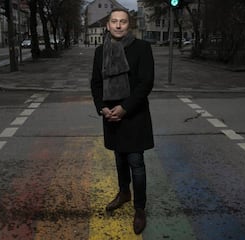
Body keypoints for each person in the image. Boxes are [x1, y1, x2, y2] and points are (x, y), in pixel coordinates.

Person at [90, 8, 154, 235]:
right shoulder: (100, 51)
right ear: (107, 25)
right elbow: (96, 83)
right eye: (114, 21)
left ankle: (139, 208)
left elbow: (145, 83)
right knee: (119, 157)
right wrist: (103, 107)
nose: (118, 25)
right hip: (110, 115)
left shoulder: (142, 48)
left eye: (123, 22)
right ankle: (124, 192)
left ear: (130, 25)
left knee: (136, 162)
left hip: (133, 114)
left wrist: (124, 108)